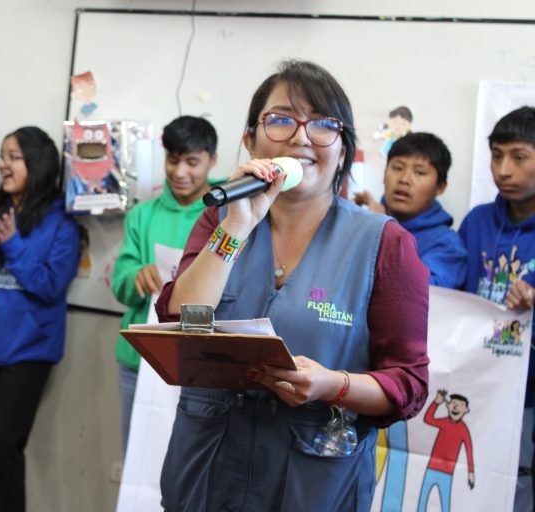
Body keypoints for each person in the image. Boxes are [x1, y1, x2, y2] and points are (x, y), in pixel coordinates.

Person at [154, 60, 430, 511]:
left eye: (323, 124)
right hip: (208, 472)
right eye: (281, 119)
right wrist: (236, 227)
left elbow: (408, 384)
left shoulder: (386, 243)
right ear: (250, 139)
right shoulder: (221, 219)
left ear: (343, 149)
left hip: (311, 482)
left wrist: (331, 385)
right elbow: (183, 322)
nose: (301, 138)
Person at [0, 126, 81, 512]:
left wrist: (12, 245)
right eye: (2, 156)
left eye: (14, 157)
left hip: (29, 349)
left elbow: (50, 285)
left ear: (37, 163)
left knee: (1, 444)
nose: (4, 165)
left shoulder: (63, 221)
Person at [110, 115, 218, 453]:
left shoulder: (228, 214)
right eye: (173, 160)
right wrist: (135, 276)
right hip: (140, 358)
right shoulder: (142, 216)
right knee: (137, 460)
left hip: (202, 362)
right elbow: (120, 282)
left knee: (190, 461)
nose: (180, 172)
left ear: (212, 161)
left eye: (192, 162)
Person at [458, 105, 535, 512]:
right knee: (469, 474)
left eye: (519, 157)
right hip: (475, 378)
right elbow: (451, 292)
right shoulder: (477, 221)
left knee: (518, 479)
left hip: (527, 391)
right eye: (497, 156)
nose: (504, 170)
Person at [354, 132, 466, 288]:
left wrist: (385, 233)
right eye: (397, 168)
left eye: (420, 172)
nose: (404, 179)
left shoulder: (448, 246)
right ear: (384, 175)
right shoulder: (366, 221)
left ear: (440, 187)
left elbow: (415, 294)